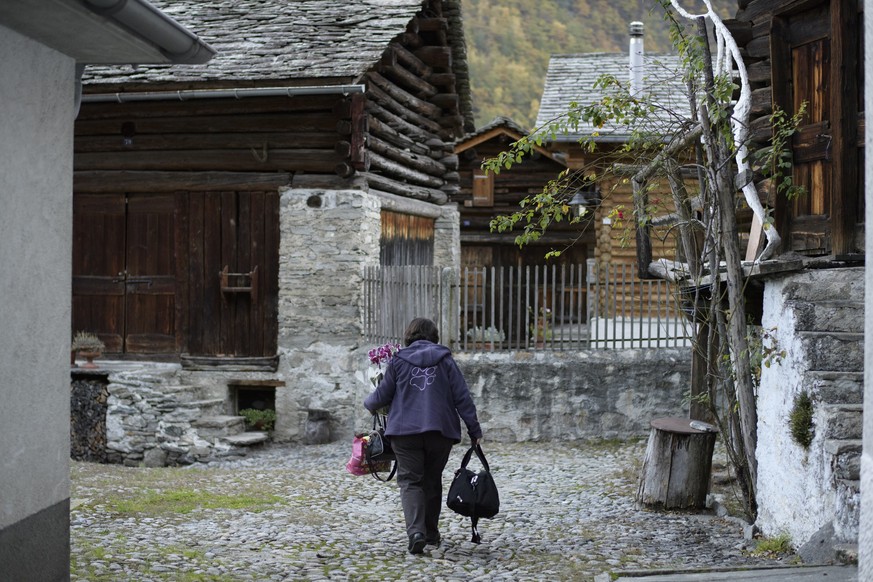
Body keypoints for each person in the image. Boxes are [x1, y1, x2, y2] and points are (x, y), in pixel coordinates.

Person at [364, 317, 482, 555]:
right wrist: (474, 430)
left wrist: (369, 403)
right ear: (434, 336)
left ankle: (416, 533)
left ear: (409, 335)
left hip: (405, 434)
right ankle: (430, 533)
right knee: (432, 479)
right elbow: (462, 398)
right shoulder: (445, 360)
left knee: (410, 481)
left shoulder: (398, 361)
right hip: (440, 433)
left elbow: (382, 396)